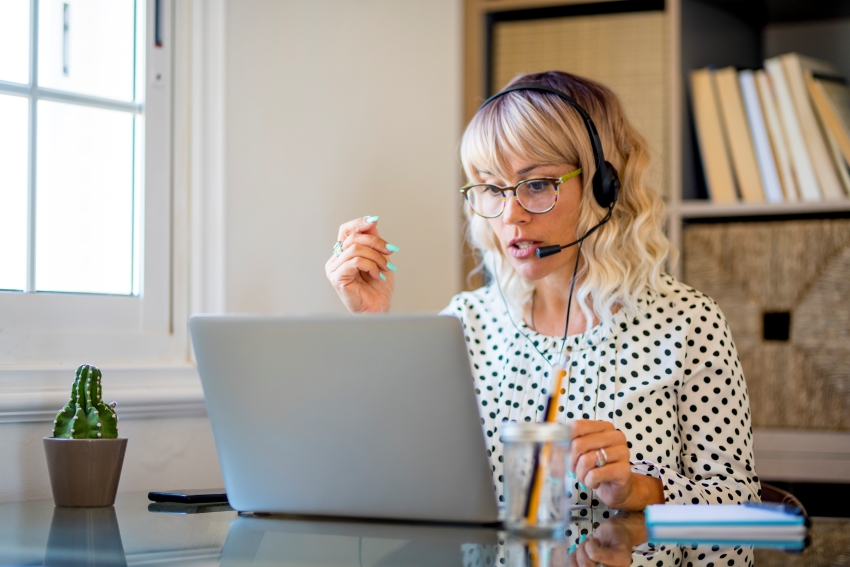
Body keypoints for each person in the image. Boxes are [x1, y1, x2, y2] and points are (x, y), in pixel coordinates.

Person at [325, 71, 761, 514]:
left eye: (536, 184)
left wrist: (640, 491)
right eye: (492, 188)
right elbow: (390, 484)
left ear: (603, 186)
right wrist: (371, 325)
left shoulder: (688, 323)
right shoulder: (463, 326)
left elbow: (738, 513)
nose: (511, 215)